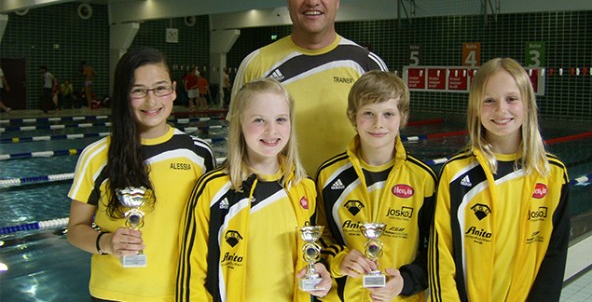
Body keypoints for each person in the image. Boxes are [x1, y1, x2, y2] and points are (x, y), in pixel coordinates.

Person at [67, 46, 216, 302]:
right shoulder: (98, 155)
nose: (152, 101)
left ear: (173, 90)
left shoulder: (198, 153)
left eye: (160, 88)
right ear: (124, 95)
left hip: (183, 290)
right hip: (115, 292)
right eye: (138, 91)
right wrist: (107, 242)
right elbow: (75, 230)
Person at [230, 0, 388, 175]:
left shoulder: (366, 63)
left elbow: (389, 140)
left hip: (348, 203)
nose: (313, 0)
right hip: (279, 200)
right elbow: (236, 139)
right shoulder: (255, 64)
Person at [176, 78, 331, 302]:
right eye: (259, 120)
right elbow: (191, 273)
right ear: (239, 123)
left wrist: (322, 272)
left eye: (281, 119)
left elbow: (316, 251)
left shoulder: (303, 186)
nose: (272, 130)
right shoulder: (213, 189)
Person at [429, 58, 570, 302]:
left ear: (527, 105)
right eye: (489, 100)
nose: (501, 110)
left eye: (511, 99)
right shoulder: (455, 173)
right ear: (475, 107)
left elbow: (555, 257)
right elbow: (441, 253)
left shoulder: (552, 175)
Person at [316, 70, 436, 301]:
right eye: (368, 113)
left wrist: (406, 281)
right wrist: (339, 261)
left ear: (402, 117)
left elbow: (436, 249)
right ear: (353, 116)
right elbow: (320, 238)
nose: (378, 124)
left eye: (388, 114)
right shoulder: (329, 175)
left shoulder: (423, 178)